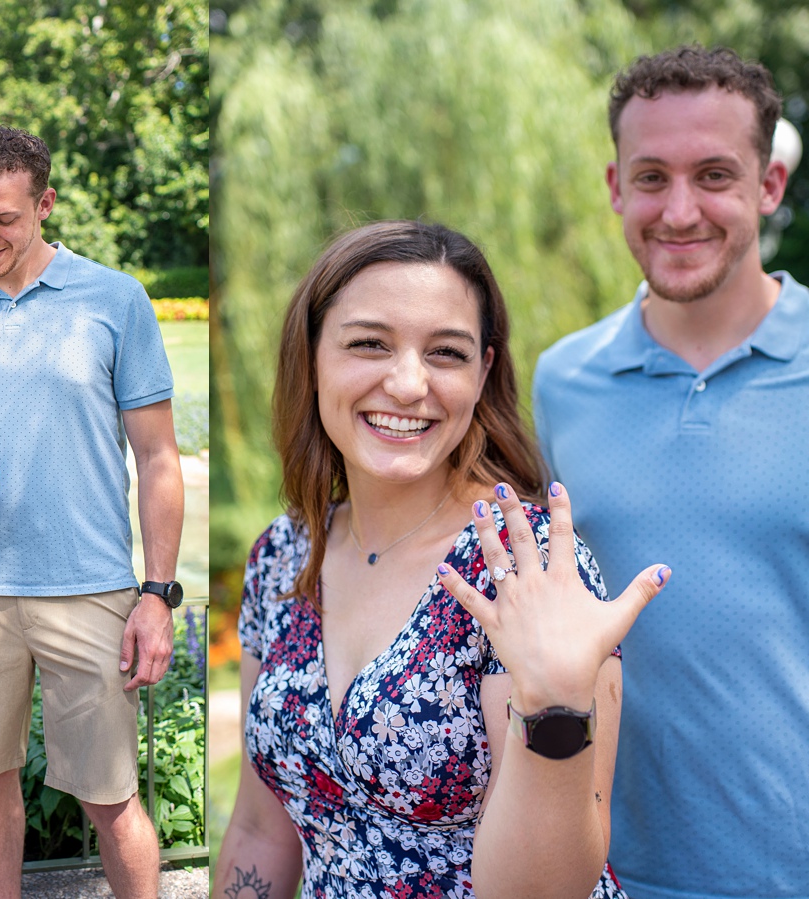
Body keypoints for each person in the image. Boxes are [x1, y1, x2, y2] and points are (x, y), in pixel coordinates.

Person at [215, 220, 669, 899]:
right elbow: (259, 830)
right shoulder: (282, 555)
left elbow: (543, 892)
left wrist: (554, 706)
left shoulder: (528, 566)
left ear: (484, 372)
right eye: (369, 343)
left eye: (446, 353)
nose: (406, 383)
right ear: (311, 355)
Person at [532, 46, 809, 899]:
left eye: (715, 175)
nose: (679, 210)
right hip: (606, 874)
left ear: (768, 187)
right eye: (652, 177)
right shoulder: (560, 382)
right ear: (617, 187)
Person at [0, 126, 185, 899]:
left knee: (111, 795)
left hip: (89, 586)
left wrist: (157, 596)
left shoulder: (115, 299)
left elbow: (159, 458)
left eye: (5, 218)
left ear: (45, 203)